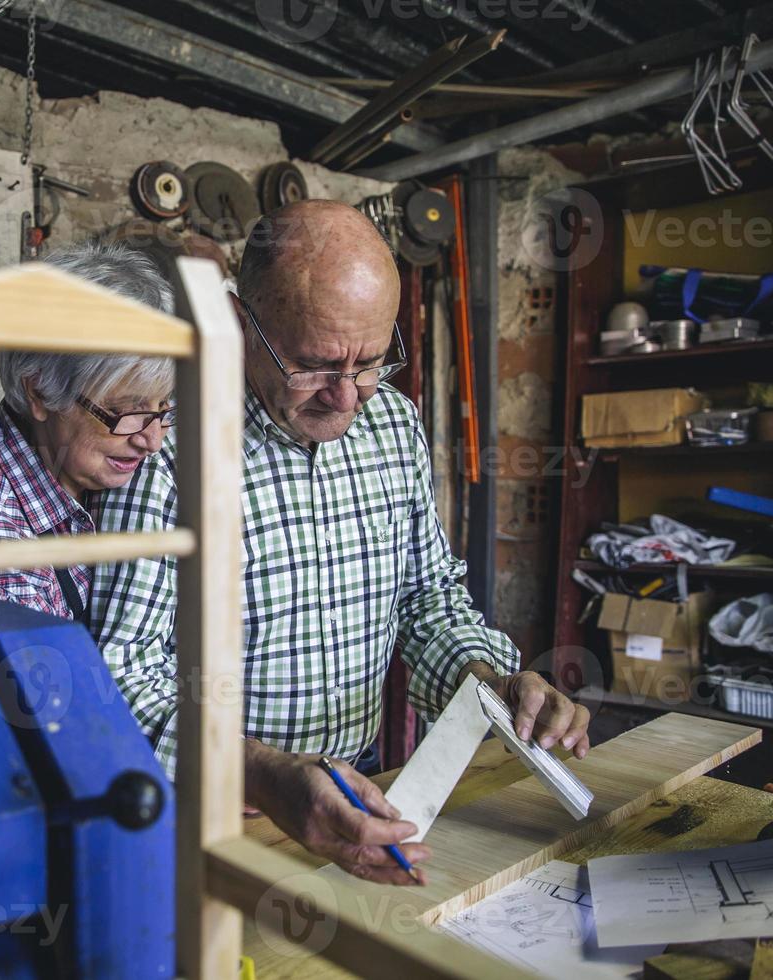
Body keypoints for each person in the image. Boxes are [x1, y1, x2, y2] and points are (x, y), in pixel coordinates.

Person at [89, 200, 591, 885]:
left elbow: (427, 603)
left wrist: (493, 685)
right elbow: (117, 675)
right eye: (315, 365)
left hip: (359, 806)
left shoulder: (392, 424)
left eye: (371, 363)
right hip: (209, 821)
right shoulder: (169, 443)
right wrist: (263, 775)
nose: (348, 398)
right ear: (243, 325)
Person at [0, 241, 176, 621]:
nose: (152, 441)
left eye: (163, 408)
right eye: (125, 410)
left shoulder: (80, 468)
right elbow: (56, 681)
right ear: (40, 392)